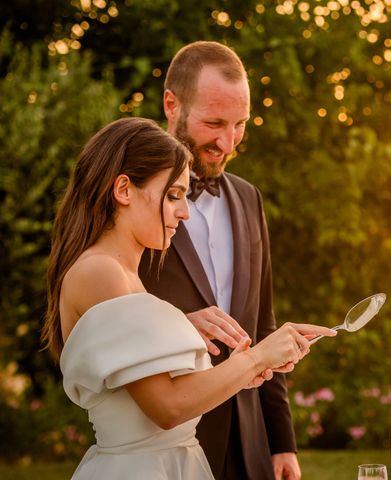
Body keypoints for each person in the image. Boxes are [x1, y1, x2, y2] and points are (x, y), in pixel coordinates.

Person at [41, 117, 335, 479]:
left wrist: (244, 370)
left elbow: (171, 390)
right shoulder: (101, 272)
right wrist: (259, 356)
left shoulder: (126, 276)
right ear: (124, 189)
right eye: (173, 195)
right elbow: (166, 407)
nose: (184, 211)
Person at [137, 42, 304, 480]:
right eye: (213, 123)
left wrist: (281, 440)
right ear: (171, 105)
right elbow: (104, 315)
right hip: (166, 438)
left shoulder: (249, 198)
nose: (227, 142)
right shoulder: (129, 198)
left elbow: (262, 322)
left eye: (240, 125)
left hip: (250, 443)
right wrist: (181, 325)